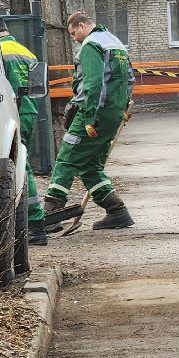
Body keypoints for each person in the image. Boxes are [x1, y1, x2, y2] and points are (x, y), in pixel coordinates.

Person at [40, 12, 136, 230]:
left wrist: (89, 118)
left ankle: (50, 213)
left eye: (74, 33)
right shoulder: (116, 43)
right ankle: (116, 211)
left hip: (91, 113)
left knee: (67, 158)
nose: (75, 38)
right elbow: (130, 79)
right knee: (90, 165)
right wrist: (120, 110)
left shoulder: (91, 45)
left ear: (82, 26)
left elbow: (92, 84)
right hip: (113, 114)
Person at [0, 23, 48, 245]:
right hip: (29, 110)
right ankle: (33, 223)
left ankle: (36, 224)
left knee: (21, 167)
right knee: (21, 163)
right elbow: (38, 87)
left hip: (11, 111)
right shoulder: (26, 52)